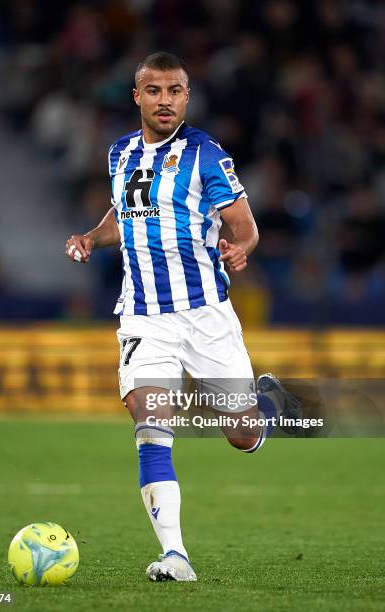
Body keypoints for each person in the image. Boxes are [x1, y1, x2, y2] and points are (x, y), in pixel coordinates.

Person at [65, 52, 300, 582]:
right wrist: (90, 238)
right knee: (151, 425)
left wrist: (240, 249)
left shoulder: (205, 155)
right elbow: (122, 214)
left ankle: (265, 406)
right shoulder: (120, 153)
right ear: (137, 97)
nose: (164, 100)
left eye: (174, 91)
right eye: (154, 91)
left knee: (240, 434)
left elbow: (245, 225)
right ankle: (176, 555)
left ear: (186, 98)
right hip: (145, 317)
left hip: (205, 315)